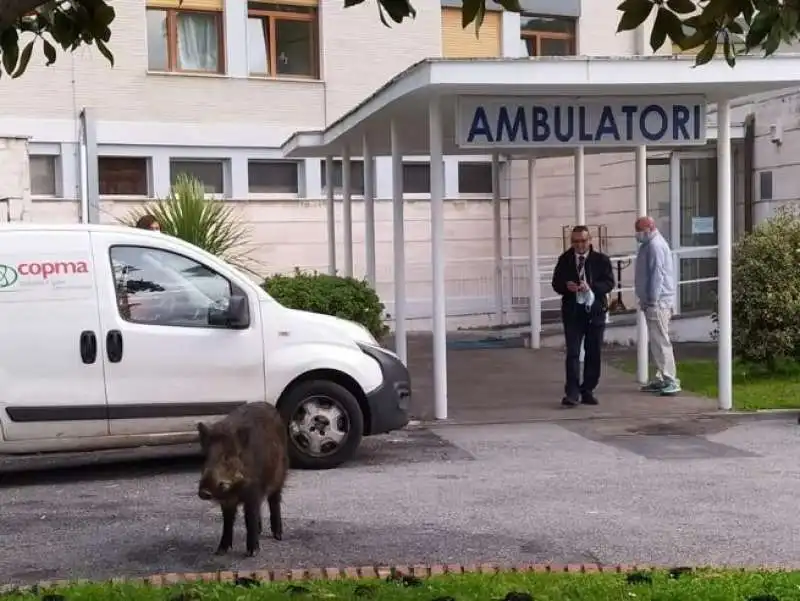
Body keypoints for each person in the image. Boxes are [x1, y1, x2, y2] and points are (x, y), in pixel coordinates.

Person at [551, 225, 615, 407]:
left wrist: (592, 287)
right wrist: (567, 287)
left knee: (593, 351)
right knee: (572, 352)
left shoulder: (601, 260)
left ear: (590, 240)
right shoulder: (565, 260)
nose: (579, 245)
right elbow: (556, 283)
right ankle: (572, 392)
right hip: (573, 312)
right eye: (575, 242)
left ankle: (587, 389)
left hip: (594, 311)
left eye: (583, 241)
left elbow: (609, 282)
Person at [633, 215, 681, 396]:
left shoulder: (655, 246)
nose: (637, 234)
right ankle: (662, 377)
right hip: (654, 301)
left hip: (658, 302)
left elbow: (657, 275)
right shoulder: (649, 245)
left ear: (648, 229)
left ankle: (670, 379)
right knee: (656, 341)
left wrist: (651, 300)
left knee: (661, 341)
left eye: (639, 230)